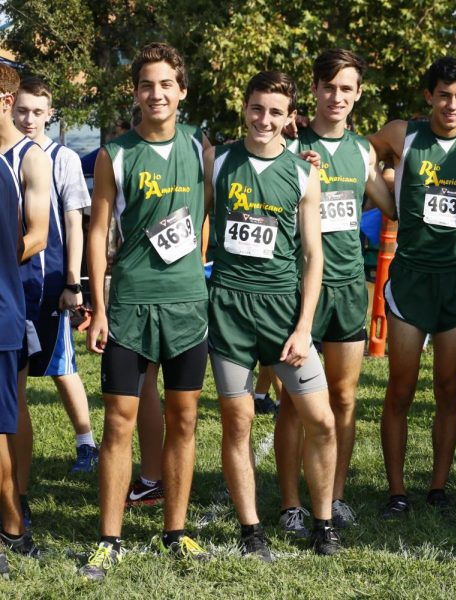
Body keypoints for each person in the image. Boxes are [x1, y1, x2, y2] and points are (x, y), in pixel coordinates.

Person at [80, 42, 211, 580]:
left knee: (183, 420)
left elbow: (223, 207)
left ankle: (174, 534)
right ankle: (109, 539)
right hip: (131, 304)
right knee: (119, 423)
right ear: (135, 92)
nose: (155, 94)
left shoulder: (202, 148)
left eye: (165, 84)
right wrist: (99, 306)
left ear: (182, 91)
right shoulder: (118, 153)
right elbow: (97, 230)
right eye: (145, 85)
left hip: (187, 307)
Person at [207, 70, 341, 557]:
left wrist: (305, 328)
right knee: (237, 422)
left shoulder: (305, 172)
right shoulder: (217, 160)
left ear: (290, 118)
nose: (265, 119)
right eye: (257, 108)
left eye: (276, 112)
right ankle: (252, 531)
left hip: (285, 314)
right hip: (230, 311)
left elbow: (313, 255)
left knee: (322, 420)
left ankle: (323, 524)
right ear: (245, 107)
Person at [278, 48, 395, 533]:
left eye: (347, 88)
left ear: (358, 94)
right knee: (292, 402)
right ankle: (289, 503)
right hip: (298, 287)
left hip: (348, 287)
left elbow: (390, 204)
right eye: (329, 87)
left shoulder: (363, 150)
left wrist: (402, 175)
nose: (337, 97)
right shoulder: (289, 142)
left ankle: (335, 493)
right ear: (315, 90)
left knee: (344, 398)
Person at [368, 57, 456, 516]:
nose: (451, 105)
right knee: (400, 388)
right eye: (443, 95)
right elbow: (358, 154)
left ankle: (438, 486)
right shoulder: (403, 133)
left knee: (448, 388)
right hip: (410, 282)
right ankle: (397, 490)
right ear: (429, 96)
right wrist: (387, 199)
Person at [12, 77, 98, 485]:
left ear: (50, 114)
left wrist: (72, 283)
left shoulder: (60, 158)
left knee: (62, 365)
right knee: (16, 371)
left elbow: (74, 224)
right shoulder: (5, 153)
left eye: (37, 112)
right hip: (10, 283)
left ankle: (86, 442)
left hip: (47, 282)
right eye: (22, 110)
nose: (29, 119)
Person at [0, 61, 48, 576]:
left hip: (20, 294)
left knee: (11, 412)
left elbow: (37, 234)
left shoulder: (27, 156)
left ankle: (18, 505)